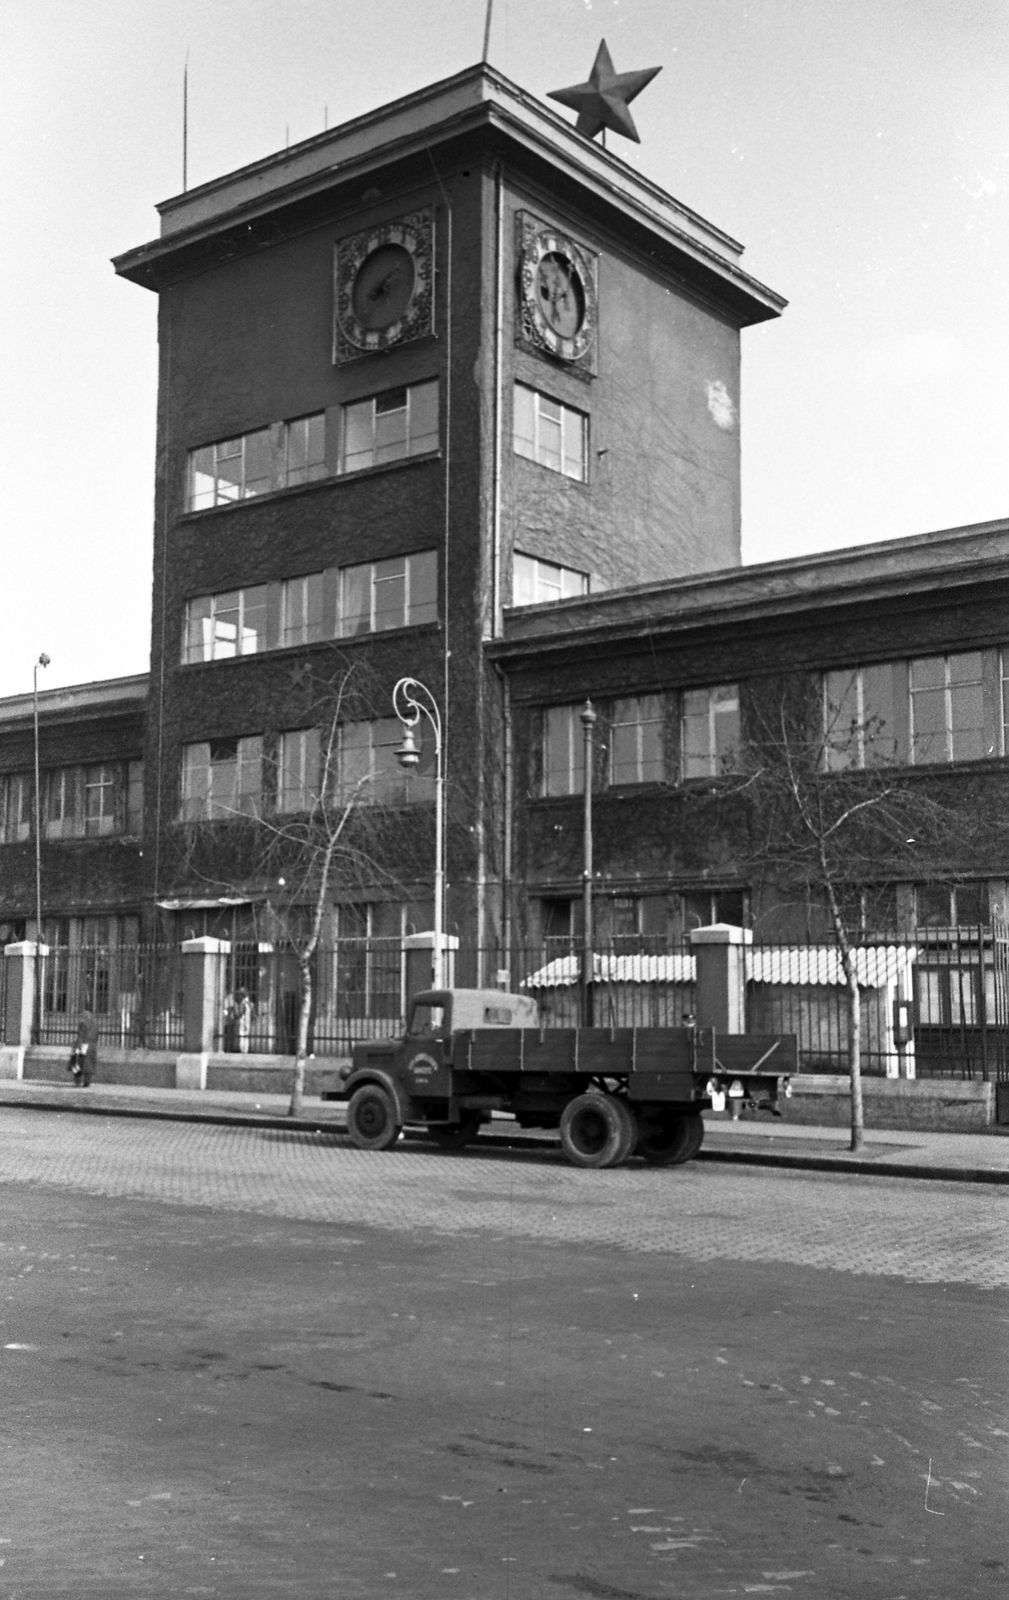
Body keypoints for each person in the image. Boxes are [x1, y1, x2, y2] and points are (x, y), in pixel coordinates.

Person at [73, 1008, 100, 1088]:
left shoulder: (82, 1023)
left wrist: (77, 1046)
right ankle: (87, 1082)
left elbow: (81, 1035)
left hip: (83, 1044)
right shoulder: (95, 1023)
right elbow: (96, 1036)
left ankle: (77, 1081)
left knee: (77, 1062)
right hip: (92, 1046)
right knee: (89, 1065)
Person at [236, 988, 255, 1054]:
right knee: (246, 1036)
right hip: (247, 1021)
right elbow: (253, 1014)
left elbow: (241, 1013)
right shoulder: (250, 1004)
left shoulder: (243, 1004)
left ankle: (243, 1050)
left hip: (243, 1021)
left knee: (242, 1036)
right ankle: (245, 1050)